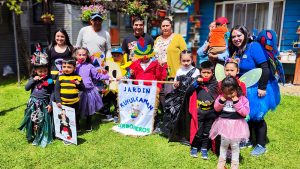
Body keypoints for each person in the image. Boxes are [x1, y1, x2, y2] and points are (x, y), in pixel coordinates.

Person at [228, 25, 280, 156]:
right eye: (233, 36)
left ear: (245, 35)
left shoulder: (254, 47)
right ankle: (249, 140)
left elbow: (265, 67)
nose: (236, 38)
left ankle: (261, 145)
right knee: (247, 115)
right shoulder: (236, 50)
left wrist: (262, 87)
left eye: (239, 35)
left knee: (258, 117)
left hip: (258, 88)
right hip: (245, 88)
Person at [210, 76, 250, 169]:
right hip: (224, 125)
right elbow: (216, 108)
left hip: (237, 126)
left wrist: (236, 101)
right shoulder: (222, 97)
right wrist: (221, 100)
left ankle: (235, 164)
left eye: (231, 92)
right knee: (223, 145)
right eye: (226, 92)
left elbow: (245, 112)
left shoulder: (242, 99)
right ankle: (221, 162)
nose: (228, 95)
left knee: (235, 146)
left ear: (236, 89)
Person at [19, 46, 54, 147]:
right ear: (35, 71)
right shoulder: (33, 79)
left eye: (45, 71)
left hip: (44, 103)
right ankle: (31, 134)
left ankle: (43, 135)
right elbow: (26, 88)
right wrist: (34, 80)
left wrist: (51, 104)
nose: (43, 73)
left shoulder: (49, 80)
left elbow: (52, 93)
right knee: (32, 119)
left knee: (42, 120)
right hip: (33, 102)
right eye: (40, 71)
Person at [161, 50, 199, 139]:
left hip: (190, 97)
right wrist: (175, 85)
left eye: (188, 61)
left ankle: (188, 135)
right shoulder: (179, 71)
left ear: (192, 60)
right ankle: (178, 134)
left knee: (188, 116)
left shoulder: (196, 71)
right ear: (180, 60)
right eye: (183, 61)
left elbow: (197, 85)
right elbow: (175, 85)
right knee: (177, 115)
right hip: (179, 97)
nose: (186, 63)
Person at [129, 38, 168, 123]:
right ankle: (136, 123)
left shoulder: (156, 63)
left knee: (151, 108)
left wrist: (158, 87)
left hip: (151, 91)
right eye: (142, 56)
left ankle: (151, 124)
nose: (144, 58)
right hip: (138, 91)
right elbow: (130, 78)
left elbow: (161, 77)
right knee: (137, 107)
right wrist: (131, 74)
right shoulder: (135, 63)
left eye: (146, 55)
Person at [186, 61, 219, 159]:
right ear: (200, 72)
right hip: (199, 112)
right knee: (198, 131)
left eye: (208, 73)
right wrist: (196, 83)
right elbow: (188, 92)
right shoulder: (197, 81)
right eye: (204, 72)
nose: (206, 74)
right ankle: (195, 147)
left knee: (207, 132)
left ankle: (204, 148)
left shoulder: (215, 83)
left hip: (211, 113)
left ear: (212, 73)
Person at [74, 47, 109, 131]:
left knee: (89, 108)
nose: (82, 56)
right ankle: (77, 124)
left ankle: (88, 123)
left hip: (89, 91)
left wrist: (109, 76)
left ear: (87, 56)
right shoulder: (74, 65)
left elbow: (97, 76)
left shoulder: (90, 66)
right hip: (77, 91)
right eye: (80, 55)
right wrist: (74, 66)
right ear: (76, 55)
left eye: (84, 55)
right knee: (78, 108)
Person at [54, 59, 84, 144]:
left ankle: (76, 129)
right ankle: (64, 133)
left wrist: (79, 84)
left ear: (74, 68)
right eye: (64, 67)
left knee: (75, 116)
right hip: (63, 103)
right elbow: (56, 90)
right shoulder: (60, 77)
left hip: (75, 102)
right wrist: (58, 101)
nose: (66, 69)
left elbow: (83, 88)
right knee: (65, 119)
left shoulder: (77, 77)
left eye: (69, 67)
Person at [102, 47, 132, 123]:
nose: (116, 57)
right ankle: (107, 115)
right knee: (106, 101)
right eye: (114, 55)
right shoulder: (108, 64)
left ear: (122, 56)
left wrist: (123, 77)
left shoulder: (125, 65)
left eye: (118, 55)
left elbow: (129, 75)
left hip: (119, 88)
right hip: (109, 87)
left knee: (117, 102)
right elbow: (104, 72)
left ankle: (116, 115)